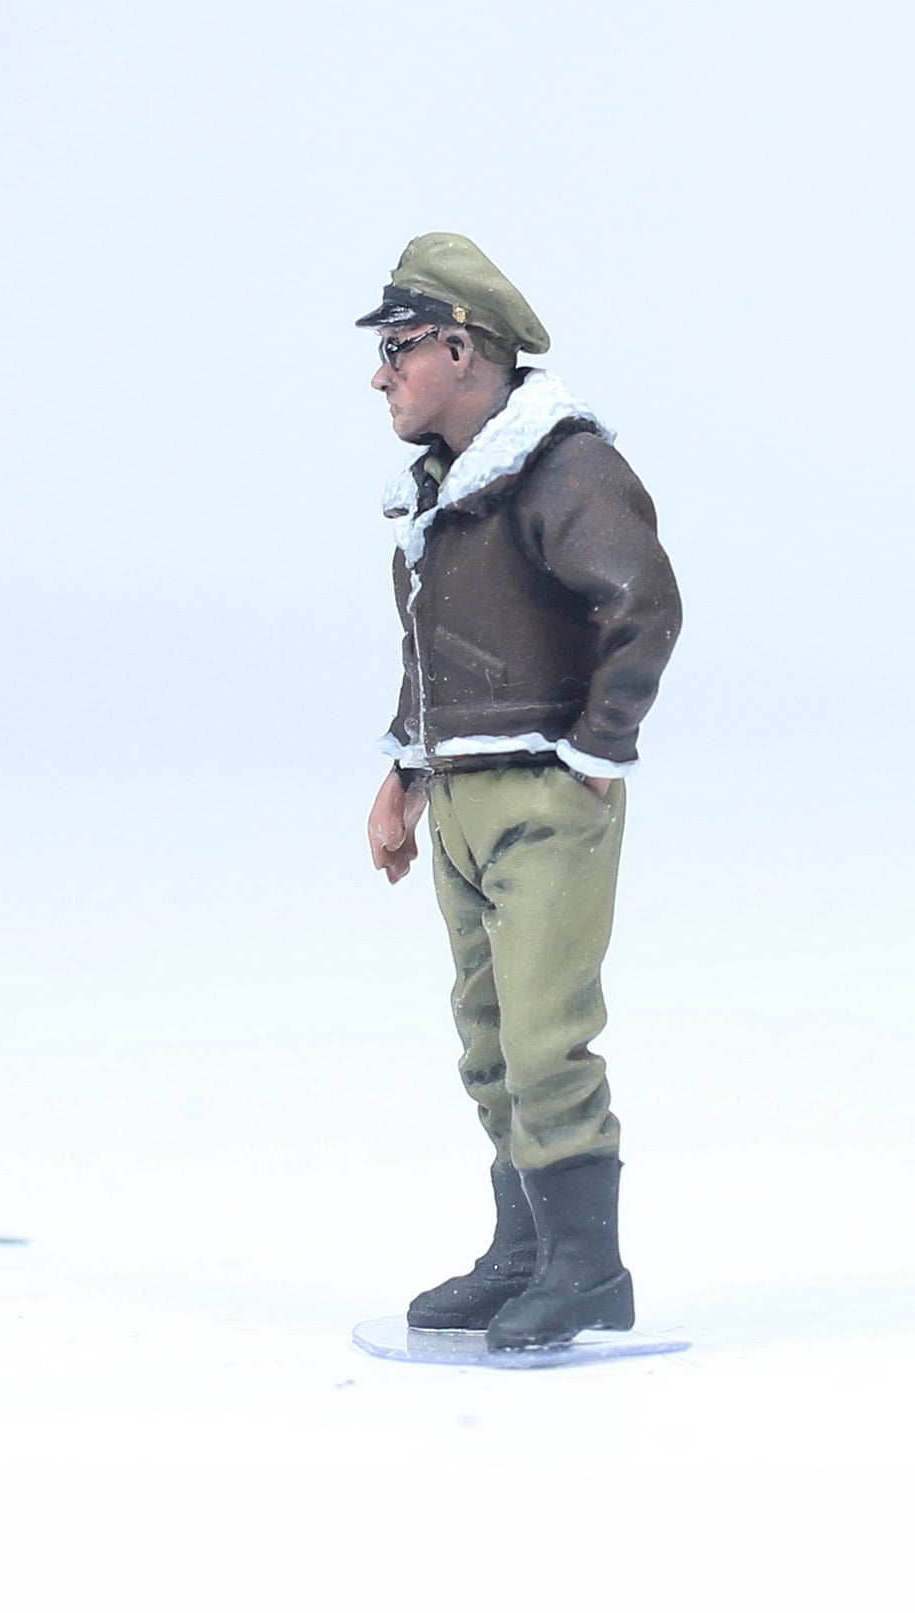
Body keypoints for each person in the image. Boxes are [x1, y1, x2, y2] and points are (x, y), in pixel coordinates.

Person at [358, 233, 681, 1350]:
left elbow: (642, 607)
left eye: (401, 347)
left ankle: (589, 1269)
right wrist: (405, 769)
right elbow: (430, 645)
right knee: (490, 1038)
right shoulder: (444, 489)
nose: (382, 375)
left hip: (543, 793)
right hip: (459, 792)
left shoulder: (564, 467)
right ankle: (526, 1250)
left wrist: (594, 753)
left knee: (548, 1036)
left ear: (462, 347)